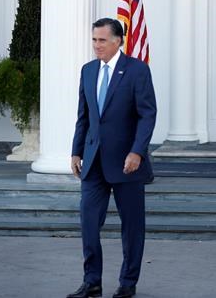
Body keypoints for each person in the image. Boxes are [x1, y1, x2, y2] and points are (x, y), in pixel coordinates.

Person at [67, 18, 157, 298]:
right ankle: (92, 282)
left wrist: (137, 151)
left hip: (127, 163)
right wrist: (76, 151)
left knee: (132, 227)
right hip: (92, 162)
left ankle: (127, 283)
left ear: (118, 41)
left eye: (102, 40)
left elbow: (147, 114)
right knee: (88, 223)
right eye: (94, 39)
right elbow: (84, 116)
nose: (97, 45)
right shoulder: (88, 70)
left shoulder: (137, 70)